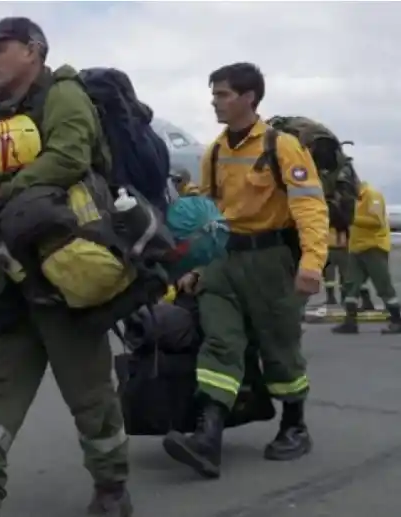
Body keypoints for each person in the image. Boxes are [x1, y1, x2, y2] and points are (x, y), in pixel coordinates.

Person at [0, 17, 132, 517]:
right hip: (13, 276)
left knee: (90, 396)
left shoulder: (63, 95)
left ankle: (112, 489)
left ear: (32, 50)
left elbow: (68, 158)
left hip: (66, 271)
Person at [163, 62, 328, 479]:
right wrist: (196, 265)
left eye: (223, 94)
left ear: (249, 97)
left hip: (270, 260)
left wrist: (311, 263)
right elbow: (207, 213)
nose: (215, 102)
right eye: (214, 94)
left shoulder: (282, 146)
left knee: (279, 346)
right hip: (223, 260)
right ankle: (207, 438)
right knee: (219, 342)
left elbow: (309, 206)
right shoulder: (215, 151)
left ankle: (295, 425)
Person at [331, 181, 401, 334]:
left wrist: (352, 218)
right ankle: (350, 322)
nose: (342, 195)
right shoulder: (352, 200)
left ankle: (397, 320)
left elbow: (377, 221)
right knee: (350, 285)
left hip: (373, 247)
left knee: (382, 284)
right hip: (356, 248)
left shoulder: (372, 196)